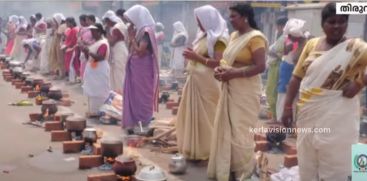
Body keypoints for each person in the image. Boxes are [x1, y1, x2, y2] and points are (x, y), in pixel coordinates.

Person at [281, 2, 367, 181]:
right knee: (307, 159)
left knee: (336, 160)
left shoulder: (356, 48)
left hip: (339, 114)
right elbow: (296, 77)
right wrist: (287, 106)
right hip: (308, 112)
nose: (336, 26)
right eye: (331, 21)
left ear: (347, 23)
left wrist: (359, 84)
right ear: (323, 24)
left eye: (341, 21)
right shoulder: (311, 44)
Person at [207, 3, 267, 181]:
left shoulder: (255, 38)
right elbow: (226, 61)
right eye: (229, 16)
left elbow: (261, 66)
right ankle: (230, 168)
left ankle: (244, 171)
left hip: (246, 91)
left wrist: (234, 73)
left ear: (245, 17)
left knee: (241, 131)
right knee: (229, 129)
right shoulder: (234, 36)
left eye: (233, 16)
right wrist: (221, 70)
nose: (230, 19)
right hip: (230, 88)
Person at [176, 5, 228, 161]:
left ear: (208, 20)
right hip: (195, 81)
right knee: (190, 117)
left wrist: (196, 57)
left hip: (208, 84)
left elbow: (219, 62)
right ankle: (193, 150)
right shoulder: (202, 36)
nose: (198, 24)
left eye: (200, 21)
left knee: (207, 119)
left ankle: (207, 151)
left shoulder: (219, 39)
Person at [123, 5, 159, 133]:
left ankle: (143, 122)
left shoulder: (146, 32)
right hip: (136, 69)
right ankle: (135, 121)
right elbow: (131, 49)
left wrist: (132, 37)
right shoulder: (140, 31)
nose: (130, 23)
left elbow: (140, 52)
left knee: (143, 95)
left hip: (142, 69)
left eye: (131, 20)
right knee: (135, 95)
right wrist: (131, 36)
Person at [276, 18, 308, 122]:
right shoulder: (289, 41)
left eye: (292, 37)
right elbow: (285, 53)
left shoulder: (306, 43)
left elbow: (297, 60)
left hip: (298, 72)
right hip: (288, 69)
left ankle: (292, 121)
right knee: (284, 95)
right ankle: (283, 121)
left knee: (296, 97)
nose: (290, 38)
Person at [81, 23, 110, 117]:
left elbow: (100, 57)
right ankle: (93, 111)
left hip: (100, 69)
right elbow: (89, 57)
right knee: (93, 90)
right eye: (91, 31)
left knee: (99, 91)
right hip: (93, 69)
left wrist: (88, 51)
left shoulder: (103, 43)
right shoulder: (95, 43)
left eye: (93, 31)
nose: (92, 34)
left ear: (99, 32)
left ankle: (100, 111)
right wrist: (86, 51)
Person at [265, 16, 287, 122]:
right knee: (271, 90)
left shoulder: (286, 38)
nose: (276, 28)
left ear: (281, 26)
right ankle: (274, 115)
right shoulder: (280, 37)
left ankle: (275, 117)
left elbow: (284, 54)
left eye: (278, 26)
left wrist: (271, 52)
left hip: (278, 67)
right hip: (275, 66)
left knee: (273, 91)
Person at [103, 11, 128, 94]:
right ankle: (117, 93)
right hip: (119, 49)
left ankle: (121, 93)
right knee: (116, 72)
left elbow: (112, 42)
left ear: (109, 20)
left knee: (119, 74)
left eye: (106, 22)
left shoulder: (116, 28)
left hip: (119, 50)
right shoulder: (120, 26)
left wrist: (107, 33)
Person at [49, 13, 67, 79]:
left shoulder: (62, 26)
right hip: (58, 44)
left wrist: (55, 30)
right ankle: (60, 73)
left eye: (55, 21)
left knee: (61, 60)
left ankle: (62, 75)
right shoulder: (60, 26)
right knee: (60, 60)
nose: (54, 23)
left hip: (60, 44)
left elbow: (59, 35)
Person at [63, 17, 80, 83]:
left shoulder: (73, 30)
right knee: (73, 64)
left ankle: (72, 79)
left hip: (71, 49)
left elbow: (73, 41)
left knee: (70, 64)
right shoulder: (74, 29)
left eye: (67, 23)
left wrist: (66, 46)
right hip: (73, 48)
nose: (66, 24)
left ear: (71, 23)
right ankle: (74, 78)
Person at [78, 14, 94, 81]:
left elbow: (95, 40)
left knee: (91, 66)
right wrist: (81, 42)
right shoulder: (82, 29)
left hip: (91, 50)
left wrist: (86, 43)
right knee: (83, 65)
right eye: (86, 20)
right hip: (83, 50)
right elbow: (79, 38)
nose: (87, 22)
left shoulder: (93, 29)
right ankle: (84, 79)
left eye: (88, 20)